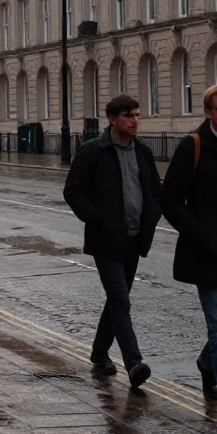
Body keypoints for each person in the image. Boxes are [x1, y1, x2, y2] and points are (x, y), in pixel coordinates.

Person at [63, 94, 161, 388]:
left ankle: (99, 351)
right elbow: (73, 191)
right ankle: (134, 362)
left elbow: (154, 191)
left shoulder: (142, 152)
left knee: (116, 300)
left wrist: (150, 219)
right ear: (112, 119)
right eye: (129, 116)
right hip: (106, 240)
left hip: (133, 239)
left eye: (136, 115)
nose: (135, 121)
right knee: (121, 299)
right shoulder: (94, 151)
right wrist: (98, 219)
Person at [161, 82, 217, 433]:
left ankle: (208, 364)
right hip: (208, 254)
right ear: (208, 111)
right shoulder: (193, 145)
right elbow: (170, 199)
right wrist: (199, 232)